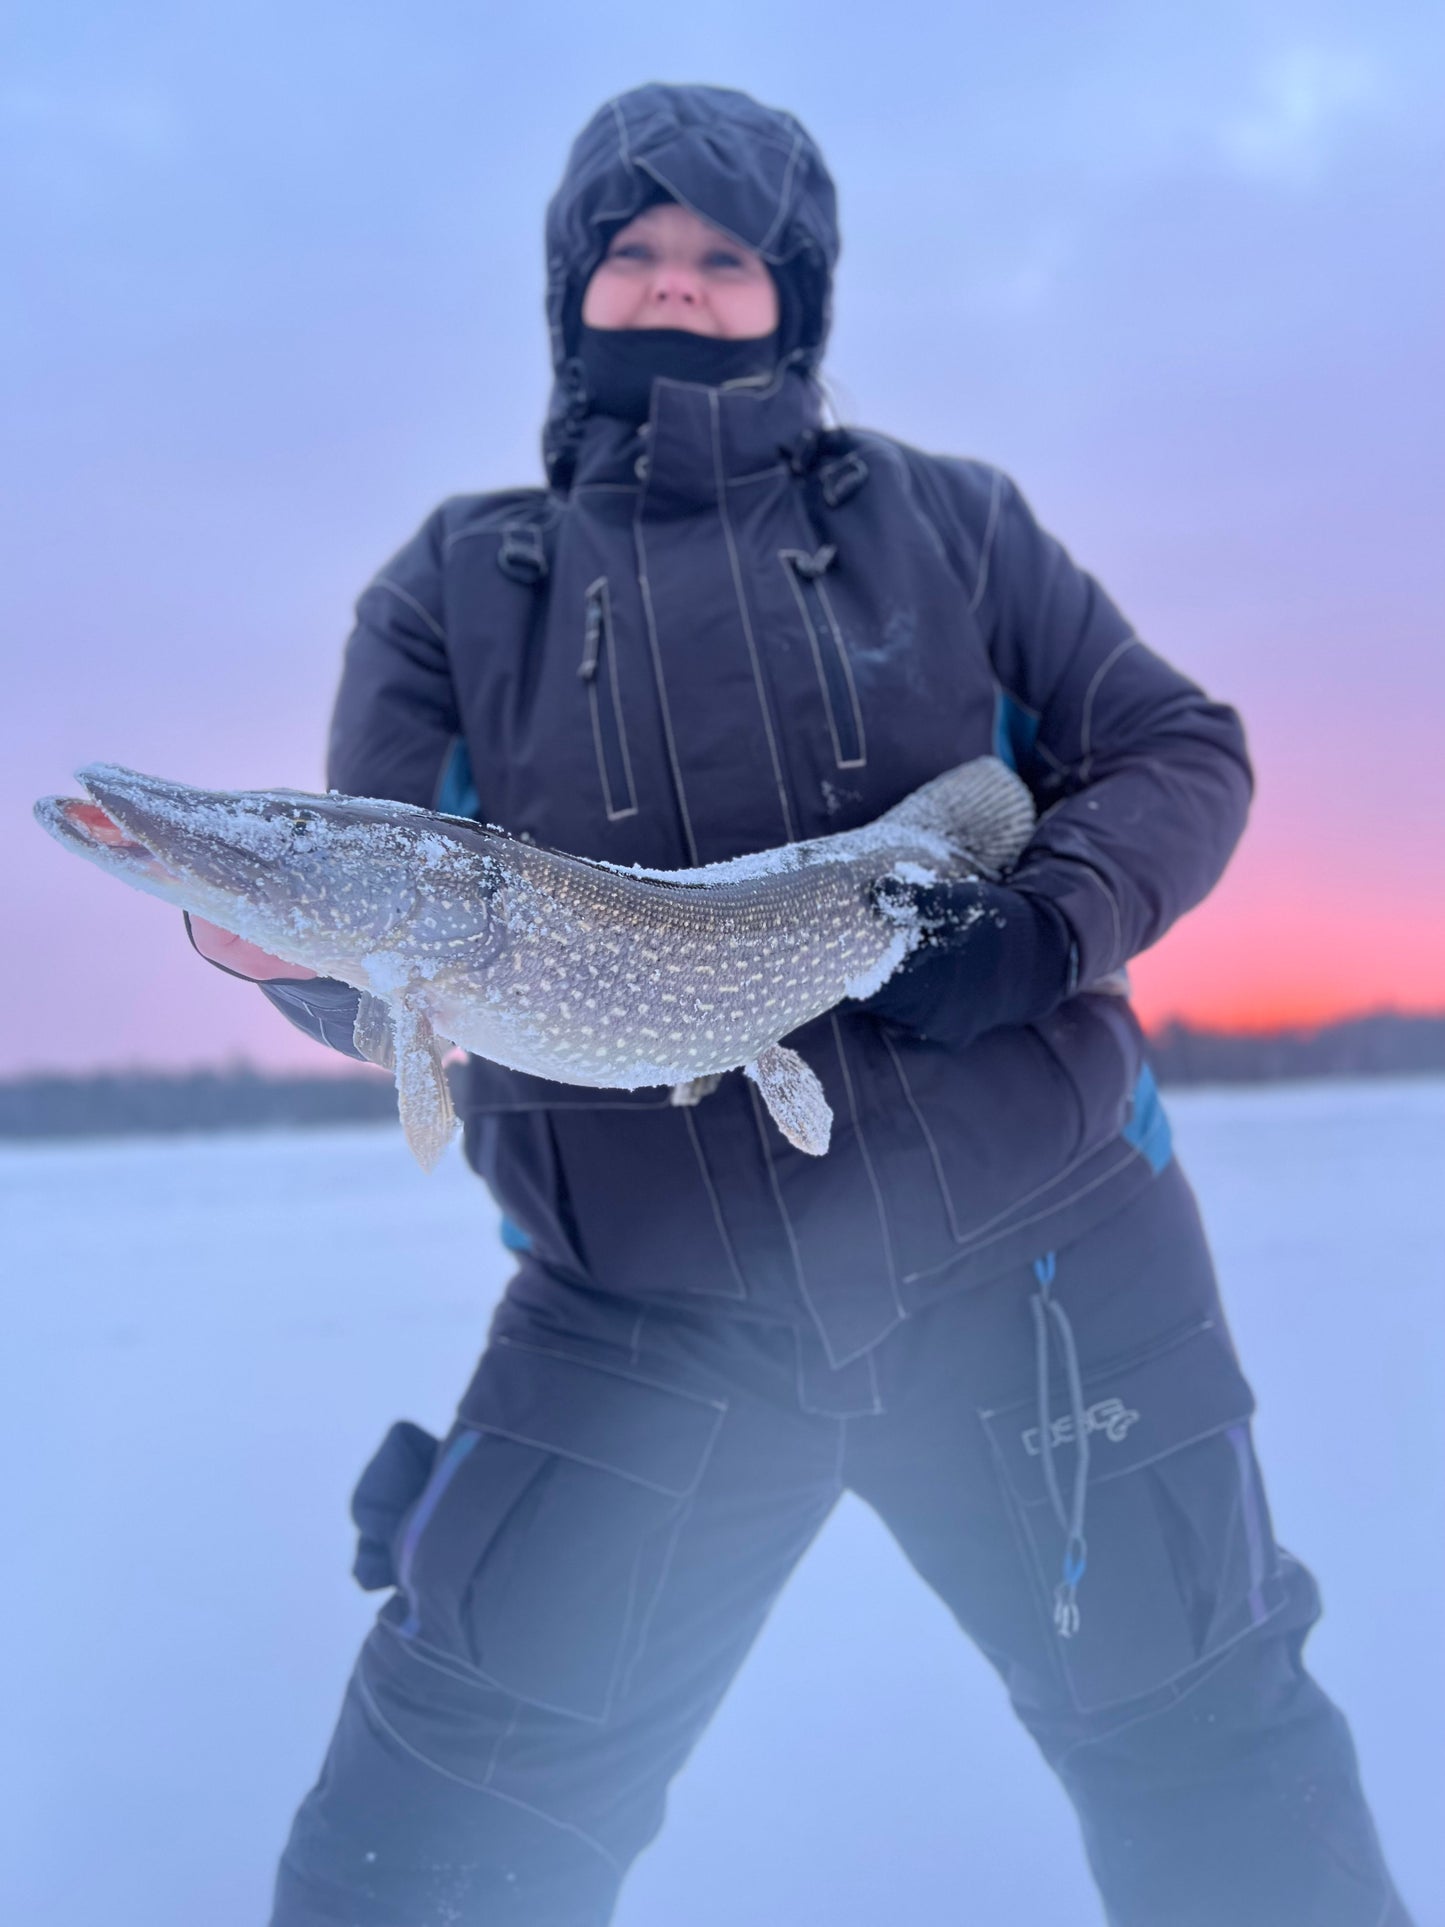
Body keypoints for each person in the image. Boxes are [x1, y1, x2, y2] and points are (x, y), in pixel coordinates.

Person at [191, 83, 1412, 1927]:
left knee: (1212, 1765)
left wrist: (1040, 930)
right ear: (571, 288)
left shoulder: (952, 525)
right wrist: (323, 987)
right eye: (634, 251)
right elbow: (402, 925)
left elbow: (1176, 752)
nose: (674, 286)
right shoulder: (453, 590)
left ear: (795, 297)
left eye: (722, 256)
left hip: (1042, 1271)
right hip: (637, 1313)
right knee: (434, 1833)